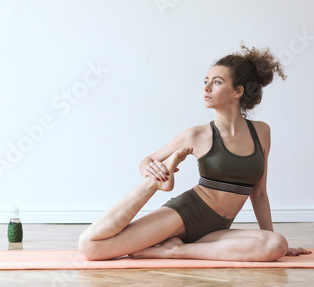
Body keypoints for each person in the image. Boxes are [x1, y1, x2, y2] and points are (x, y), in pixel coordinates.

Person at [78, 46, 311, 261]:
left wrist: (269, 239)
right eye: (206, 81)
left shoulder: (261, 132)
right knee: (92, 247)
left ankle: (176, 250)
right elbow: (148, 159)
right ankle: (153, 187)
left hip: (218, 229)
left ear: (238, 91)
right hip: (185, 213)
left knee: (276, 244)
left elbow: (258, 194)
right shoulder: (197, 135)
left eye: (217, 82)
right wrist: (152, 169)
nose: (206, 88)